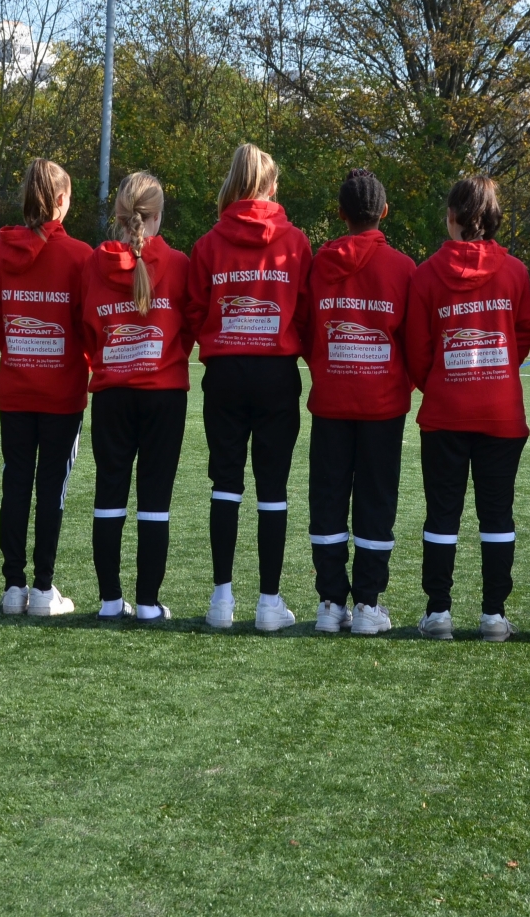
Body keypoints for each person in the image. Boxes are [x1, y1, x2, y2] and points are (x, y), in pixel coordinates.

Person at [186, 144, 312, 632]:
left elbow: (195, 311)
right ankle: (268, 602)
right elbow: (305, 309)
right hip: (276, 373)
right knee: (273, 488)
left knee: (225, 483)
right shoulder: (295, 241)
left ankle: (221, 599)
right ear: (271, 186)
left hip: (224, 374)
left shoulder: (208, 244)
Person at [403, 176, 530, 641]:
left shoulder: (425, 273)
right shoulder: (515, 272)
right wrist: (493, 373)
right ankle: (494, 615)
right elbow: (523, 336)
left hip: (445, 412)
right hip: (501, 413)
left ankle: (438, 612)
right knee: (497, 516)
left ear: (451, 217)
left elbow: (417, 349)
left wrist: (442, 382)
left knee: (442, 515)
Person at [304, 168, 415, 635]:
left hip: (331, 400)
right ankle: (368, 604)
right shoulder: (403, 268)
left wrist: (329, 367)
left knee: (327, 500)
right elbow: (414, 341)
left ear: (340, 213)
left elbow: (307, 329)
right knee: (377, 502)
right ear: (384, 211)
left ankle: (330, 602)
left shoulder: (318, 264)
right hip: (383, 406)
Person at [81, 172, 194, 621]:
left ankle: (110, 600)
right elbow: (189, 328)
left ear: (119, 216)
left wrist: (112, 360)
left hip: (112, 394)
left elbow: (87, 327)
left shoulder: (95, 263)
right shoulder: (179, 264)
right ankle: (148, 602)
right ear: (158, 216)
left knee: (109, 495)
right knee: (155, 500)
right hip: (164, 395)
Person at [0, 159, 92, 616]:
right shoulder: (80, 256)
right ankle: (44, 588)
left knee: (15, 483)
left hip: (16, 389)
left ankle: (14, 587)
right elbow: (87, 326)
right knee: (52, 488)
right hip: (62, 393)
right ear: (62, 200)